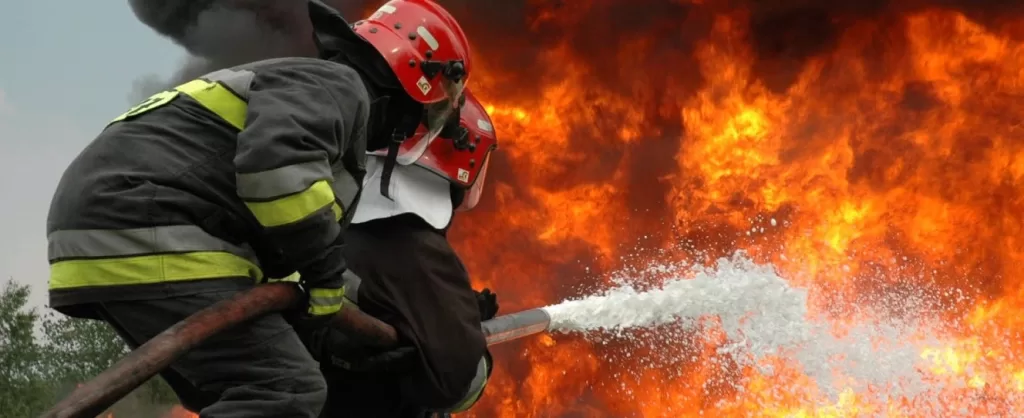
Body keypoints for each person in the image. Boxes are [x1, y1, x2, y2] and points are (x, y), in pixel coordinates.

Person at [44, 0, 473, 417]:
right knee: (284, 388)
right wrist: (324, 277)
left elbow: (277, 238)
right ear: (418, 80)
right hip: (145, 221)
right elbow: (276, 173)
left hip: (105, 228)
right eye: (434, 112)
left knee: (232, 388)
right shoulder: (340, 87)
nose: (421, 125)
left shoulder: (311, 91)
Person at [297, 86, 500, 418]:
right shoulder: (415, 252)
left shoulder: (322, 214)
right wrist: (466, 336)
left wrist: (442, 312)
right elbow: (457, 382)